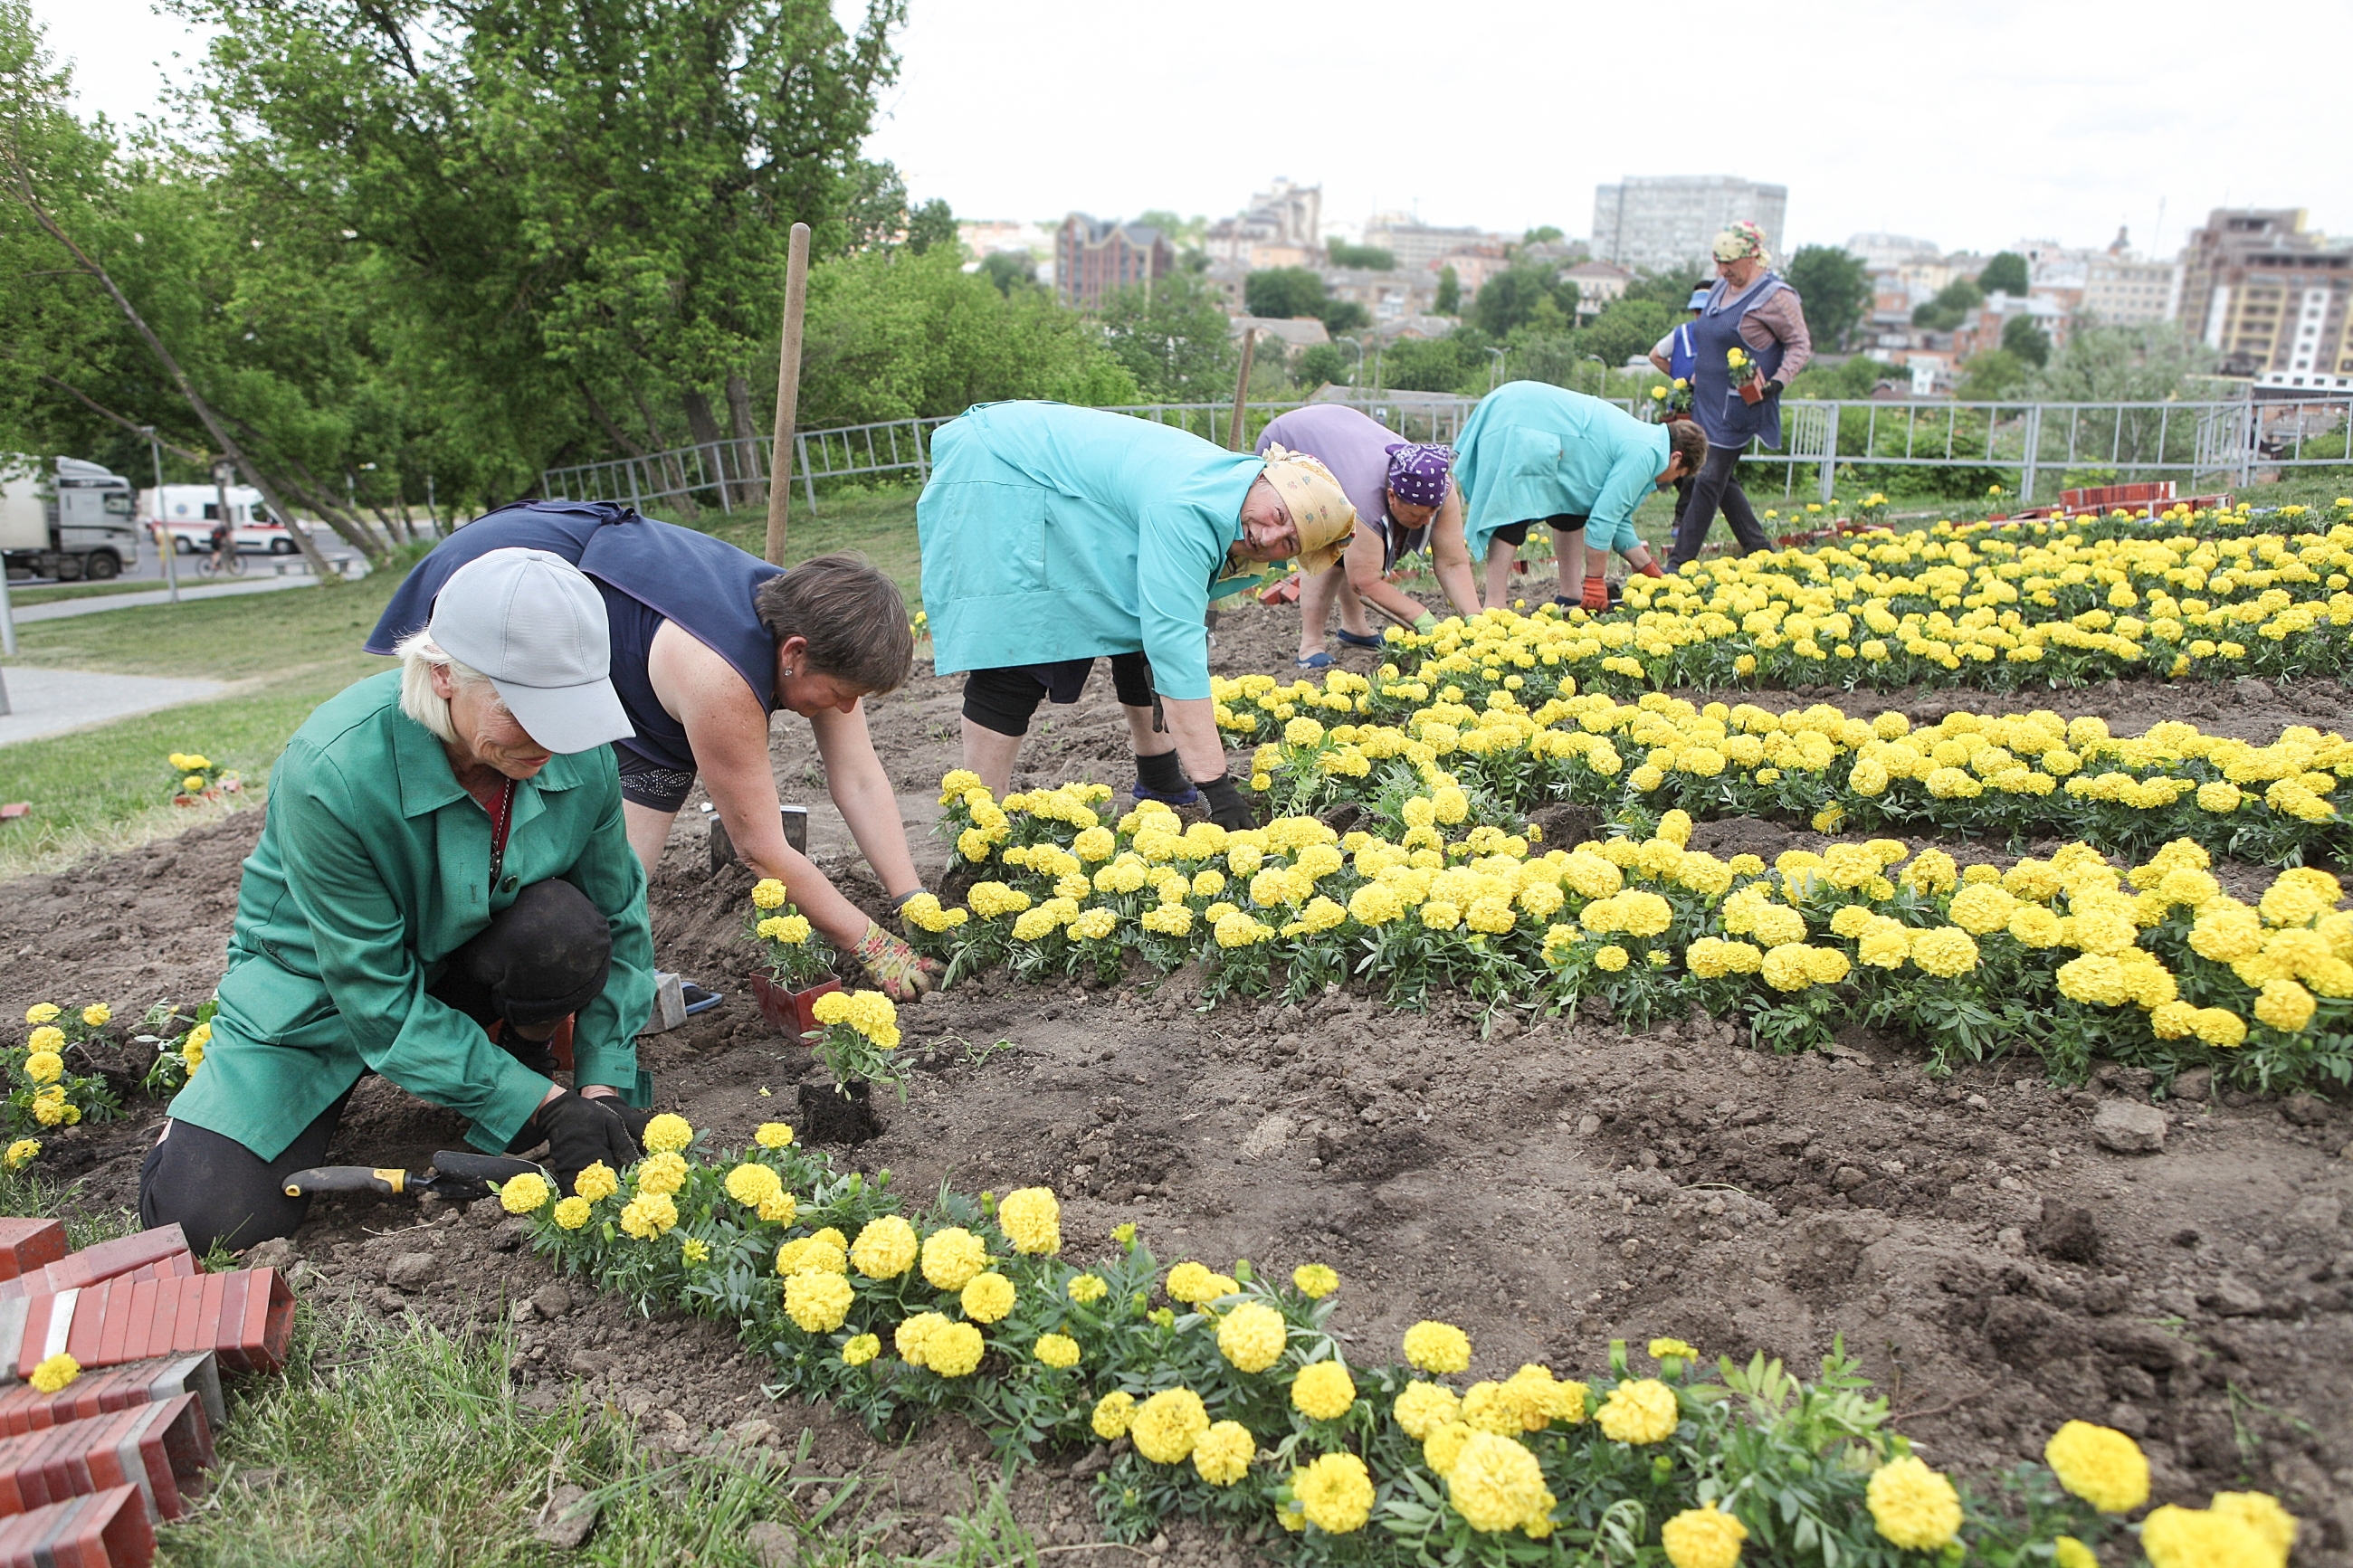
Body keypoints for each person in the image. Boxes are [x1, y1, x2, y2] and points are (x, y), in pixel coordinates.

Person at [142, 548, 658, 1252]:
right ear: (442, 674)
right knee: (209, 1222)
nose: (551, 737)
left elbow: (620, 920)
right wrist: (544, 1112)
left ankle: (521, 1059)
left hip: (461, 958)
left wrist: (600, 1092)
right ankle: (195, 1125)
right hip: (316, 992)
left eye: (569, 709)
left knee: (562, 929)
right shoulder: (333, 768)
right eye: (523, 709)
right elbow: (375, 997)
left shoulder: (576, 750)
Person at [368, 502, 938, 1003]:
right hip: (515, 581)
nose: (845, 711)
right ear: (795, 652)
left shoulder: (826, 632)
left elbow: (860, 781)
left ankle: (587, 996)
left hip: (636, 667)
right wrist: (872, 944)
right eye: (842, 696)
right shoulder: (722, 678)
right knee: (492, 802)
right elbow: (761, 848)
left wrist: (910, 900)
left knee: (618, 882)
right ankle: (458, 987)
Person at [918, 401, 1356, 821]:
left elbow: (1158, 624)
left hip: (1045, 472)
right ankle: (978, 816)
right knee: (1023, 640)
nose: (1268, 536)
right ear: (1263, 479)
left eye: (1289, 542)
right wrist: (1217, 786)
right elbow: (1174, 644)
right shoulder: (1190, 505)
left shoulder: (1232, 490)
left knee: (1135, 623)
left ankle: (1160, 778)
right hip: (1001, 471)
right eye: (1278, 514)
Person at [1252, 404, 1481, 668]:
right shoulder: (1365, 502)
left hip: (1340, 434)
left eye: (1432, 512)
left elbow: (1452, 563)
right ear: (1392, 497)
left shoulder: (1440, 488)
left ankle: (1355, 629)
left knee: (1356, 549)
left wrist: (1475, 619)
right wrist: (1422, 618)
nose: (1427, 522)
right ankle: (1310, 645)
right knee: (1327, 548)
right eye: (1417, 516)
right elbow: (1364, 581)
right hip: (1292, 440)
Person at [1454, 381, 1708, 613]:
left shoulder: (1647, 441)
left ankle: (1570, 595)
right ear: (1676, 458)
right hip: (1522, 419)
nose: (1670, 480)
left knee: (1570, 513)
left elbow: (1616, 518)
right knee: (1513, 511)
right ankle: (1494, 607)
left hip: (1527, 412)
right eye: (1678, 474)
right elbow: (1603, 519)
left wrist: (1649, 569)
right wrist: (1595, 581)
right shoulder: (1646, 453)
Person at [1668, 221, 1815, 568]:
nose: (1722, 270)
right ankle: (1759, 549)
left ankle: (1678, 563)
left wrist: (1778, 381)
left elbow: (1800, 343)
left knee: (1705, 477)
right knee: (1722, 480)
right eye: (1718, 262)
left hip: (1740, 406)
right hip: (1706, 401)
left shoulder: (1777, 295)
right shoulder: (1720, 288)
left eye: (1729, 263)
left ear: (1752, 256)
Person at [1648, 285, 1713, 550]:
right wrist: (1680, 378)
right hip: (1687, 405)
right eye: (1696, 310)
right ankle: (1682, 519)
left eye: (1703, 310)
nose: (1699, 315)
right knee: (1686, 460)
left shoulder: (1718, 335)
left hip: (1709, 405)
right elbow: (1655, 355)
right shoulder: (1681, 334)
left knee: (1701, 466)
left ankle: (1684, 519)